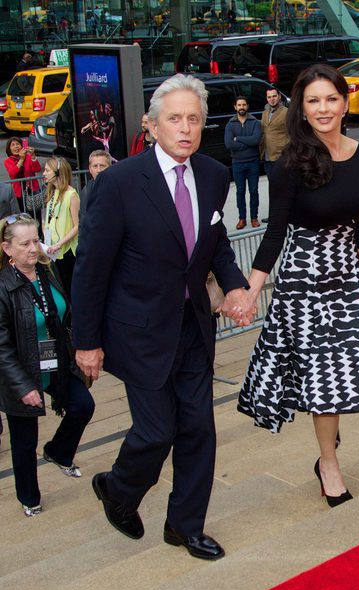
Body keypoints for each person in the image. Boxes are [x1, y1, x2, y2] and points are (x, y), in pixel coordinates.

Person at [71, 74, 252, 559]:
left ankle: (184, 526)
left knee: (198, 430)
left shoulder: (215, 175)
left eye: (194, 118)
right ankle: (118, 490)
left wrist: (233, 284)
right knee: (155, 432)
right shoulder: (119, 184)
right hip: (139, 334)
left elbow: (213, 247)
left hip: (193, 328)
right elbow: (91, 269)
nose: (186, 128)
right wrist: (85, 341)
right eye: (175, 119)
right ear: (151, 126)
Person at [236, 64, 359, 508]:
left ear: (344, 101)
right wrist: (253, 290)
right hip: (304, 280)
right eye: (313, 101)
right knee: (323, 377)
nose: (323, 108)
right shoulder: (290, 164)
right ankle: (328, 464)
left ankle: (329, 445)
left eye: (331, 99)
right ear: (302, 107)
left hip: (346, 275)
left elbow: (357, 221)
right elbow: (274, 233)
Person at [0, 213, 95, 517]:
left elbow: (65, 313)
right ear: (7, 249)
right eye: (24, 243)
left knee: (83, 405)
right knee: (24, 442)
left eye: (36, 240)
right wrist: (23, 386)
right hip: (21, 373)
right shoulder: (3, 288)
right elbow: (2, 348)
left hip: (56, 362)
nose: (33, 248)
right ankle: (29, 497)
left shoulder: (48, 270)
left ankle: (58, 451)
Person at [43, 157, 80, 298]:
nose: (44, 174)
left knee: (69, 286)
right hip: (52, 249)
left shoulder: (71, 195)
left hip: (66, 251)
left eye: (47, 170)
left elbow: (77, 226)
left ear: (58, 172)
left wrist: (60, 243)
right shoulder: (52, 192)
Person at [224, 96, 262, 230]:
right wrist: (247, 143)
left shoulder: (255, 122)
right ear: (235, 107)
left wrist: (238, 139)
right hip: (237, 163)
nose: (241, 107)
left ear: (247, 106)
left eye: (244, 105)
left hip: (253, 162)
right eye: (239, 105)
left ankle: (254, 218)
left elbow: (256, 140)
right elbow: (229, 144)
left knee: (254, 191)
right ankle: (242, 218)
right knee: (240, 191)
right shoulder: (230, 124)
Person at [4, 137, 42, 212]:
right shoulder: (8, 161)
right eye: (13, 145)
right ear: (9, 149)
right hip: (18, 193)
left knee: (35, 214)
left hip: (32, 190)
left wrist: (33, 156)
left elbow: (37, 169)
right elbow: (13, 174)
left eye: (17, 144)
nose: (16, 147)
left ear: (22, 146)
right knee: (22, 215)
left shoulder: (28, 157)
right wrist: (21, 159)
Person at [260, 88, 289, 181]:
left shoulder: (286, 112)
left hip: (280, 156)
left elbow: (292, 134)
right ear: (267, 99)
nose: (272, 99)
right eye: (269, 97)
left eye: (274, 96)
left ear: (279, 97)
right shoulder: (264, 113)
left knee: (283, 184)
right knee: (272, 185)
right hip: (267, 156)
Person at [79, 150, 111, 227]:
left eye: (102, 166)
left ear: (110, 167)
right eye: (95, 166)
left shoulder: (119, 187)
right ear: (90, 169)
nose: (99, 170)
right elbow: (83, 218)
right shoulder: (86, 190)